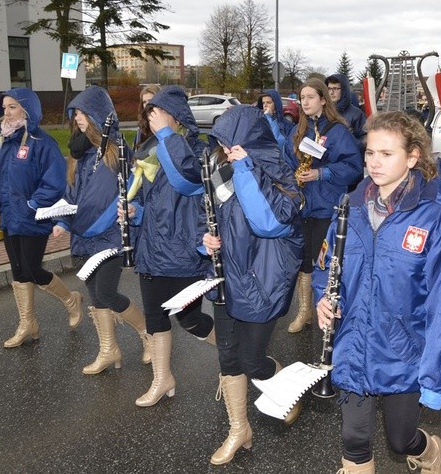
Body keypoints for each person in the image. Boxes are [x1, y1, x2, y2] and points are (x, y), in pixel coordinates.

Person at [316, 110, 441, 474]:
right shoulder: (348, 208)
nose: (374, 162)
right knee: (354, 440)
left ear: (412, 157)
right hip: (353, 345)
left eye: (387, 154)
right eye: (370, 153)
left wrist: (435, 378)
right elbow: (327, 267)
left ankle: (429, 452)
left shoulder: (434, 220)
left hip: (404, 353)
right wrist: (324, 297)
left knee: (400, 442)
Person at [202, 105, 304, 465]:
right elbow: (209, 218)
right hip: (225, 277)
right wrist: (205, 242)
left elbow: (268, 223)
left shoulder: (277, 174)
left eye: (234, 144)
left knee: (251, 359)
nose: (227, 151)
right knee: (228, 357)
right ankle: (238, 428)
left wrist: (245, 168)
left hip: (261, 282)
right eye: (223, 144)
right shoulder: (218, 171)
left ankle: (283, 388)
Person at [125, 85, 214, 407]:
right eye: (148, 112)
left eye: (157, 112)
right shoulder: (150, 150)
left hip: (183, 248)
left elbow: (189, 181)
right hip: (152, 248)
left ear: (175, 117)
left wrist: (165, 136)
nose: (151, 118)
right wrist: (136, 213)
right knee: (155, 318)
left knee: (189, 321)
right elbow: (154, 203)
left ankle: (235, 358)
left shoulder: (198, 150)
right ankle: (162, 379)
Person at [53, 86, 151, 374]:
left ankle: (148, 332)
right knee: (95, 295)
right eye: (76, 114)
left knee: (107, 293)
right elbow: (71, 193)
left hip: (111, 235)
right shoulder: (77, 152)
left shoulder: (117, 150)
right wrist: (60, 221)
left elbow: (136, 191)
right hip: (83, 234)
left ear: (98, 115)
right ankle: (109, 350)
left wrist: (134, 213)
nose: (79, 119)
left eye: (84, 112)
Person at [0, 88, 83, 348]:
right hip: (8, 215)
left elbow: (55, 181)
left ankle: (71, 300)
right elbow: (2, 177)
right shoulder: (4, 141)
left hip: (32, 217)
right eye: (4, 107)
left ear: (27, 110)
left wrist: (33, 203)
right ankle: (28, 324)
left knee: (33, 270)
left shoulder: (42, 142)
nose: (6, 112)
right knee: (17, 270)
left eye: (13, 107)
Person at [284, 78, 363, 333]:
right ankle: (305, 310)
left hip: (326, 206)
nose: (304, 102)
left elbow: (353, 168)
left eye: (310, 97)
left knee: (323, 261)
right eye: (301, 98)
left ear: (322, 100)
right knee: (302, 259)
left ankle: (329, 310)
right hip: (301, 205)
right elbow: (285, 162)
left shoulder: (338, 131)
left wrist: (322, 174)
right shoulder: (297, 131)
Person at [325, 74, 367, 150]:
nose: (331, 92)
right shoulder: (322, 111)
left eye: (335, 89)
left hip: (347, 157)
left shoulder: (356, 114)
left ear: (344, 90)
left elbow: (366, 139)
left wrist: (347, 144)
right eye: (329, 89)